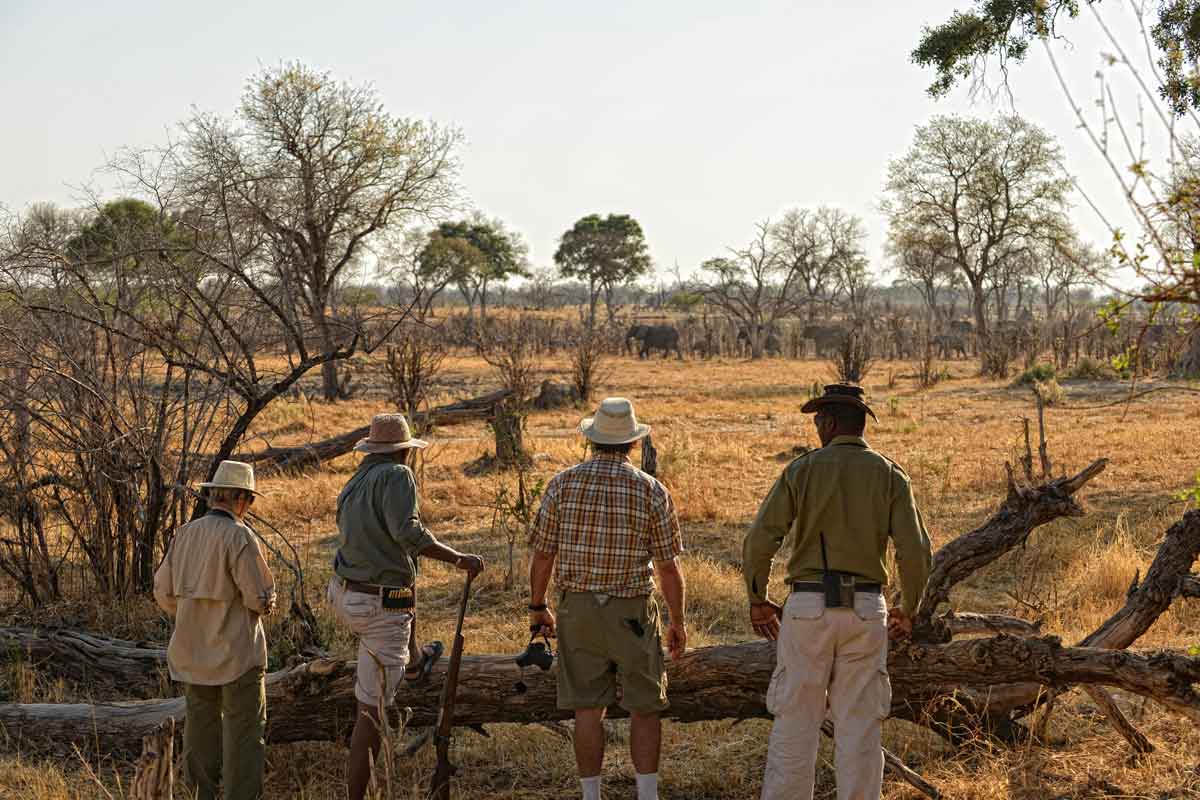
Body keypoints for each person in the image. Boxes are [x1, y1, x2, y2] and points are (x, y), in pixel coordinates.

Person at [742, 384, 932, 800]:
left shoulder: (802, 470)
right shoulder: (888, 473)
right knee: (860, 725)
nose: (814, 427)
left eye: (816, 420)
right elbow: (915, 550)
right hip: (866, 608)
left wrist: (758, 598)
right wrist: (908, 607)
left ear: (828, 423)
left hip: (808, 606)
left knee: (796, 721)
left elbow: (760, 540)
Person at [528, 397, 687, 800]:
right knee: (645, 706)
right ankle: (647, 794)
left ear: (592, 440)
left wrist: (537, 606)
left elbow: (543, 555)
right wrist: (677, 621)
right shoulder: (651, 490)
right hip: (632, 610)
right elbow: (668, 568)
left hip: (578, 608)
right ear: (633, 444)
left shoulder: (562, 483)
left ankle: (591, 795)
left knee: (587, 709)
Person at [328, 412, 485, 800]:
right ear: (403, 452)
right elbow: (407, 532)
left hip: (345, 592)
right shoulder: (398, 476)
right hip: (378, 605)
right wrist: (458, 558)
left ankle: (413, 661)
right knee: (371, 712)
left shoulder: (357, 478)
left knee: (403, 591)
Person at [154, 460, 276, 800]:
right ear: (239, 498)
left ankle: (199, 795)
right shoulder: (239, 536)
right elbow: (259, 598)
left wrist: (194, 612)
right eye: (249, 501)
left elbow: (163, 592)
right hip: (238, 656)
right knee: (244, 739)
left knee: (199, 737)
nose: (249, 508)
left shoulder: (185, 533)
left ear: (215, 496)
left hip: (192, 655)